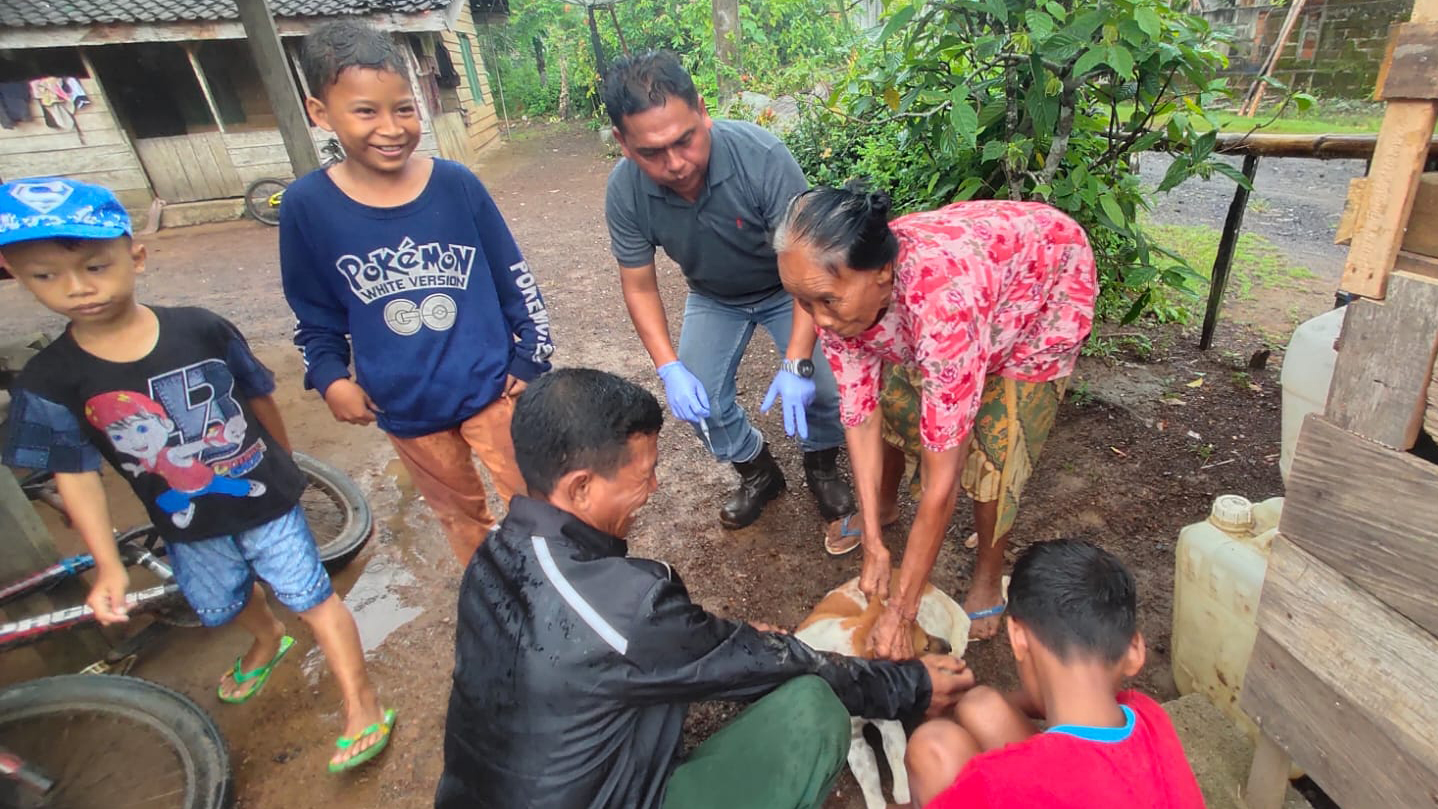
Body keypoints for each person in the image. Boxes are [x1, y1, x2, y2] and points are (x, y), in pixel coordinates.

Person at [434, 368, 977, 809]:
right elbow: (771, 664)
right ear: (579, 487)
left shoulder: (493, 556)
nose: (654, 486)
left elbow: (627, 650)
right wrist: (909, 684)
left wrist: (719, 643)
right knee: (813, 705)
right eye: (643, 474)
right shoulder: (627, 608)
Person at [0, 178, 394, 772]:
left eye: (94, 265)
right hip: (183, 521)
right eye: (46, 275)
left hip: (265, 500)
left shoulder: (199, 328)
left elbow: (260, 396)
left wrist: (287, 466)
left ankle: (361, 705)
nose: (77, 288)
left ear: (135, 254)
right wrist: (108, 565)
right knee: (221, 601)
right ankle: (266, 638)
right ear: (13, 273)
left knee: (314, 598)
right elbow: (75, 475)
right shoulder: (52, 379)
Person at [773, 182, 1097, 649]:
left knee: (996, 444)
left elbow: (941, 482)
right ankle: (882, 513)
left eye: (825, 301)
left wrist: (902, 613)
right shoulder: (842, 299)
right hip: (980, 262)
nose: (817, 320)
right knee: (900, 408)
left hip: (1043, 282)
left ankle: (988, 570)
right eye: (803, 302)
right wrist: (872, 545)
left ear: (882, 272)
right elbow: (861, 418)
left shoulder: (943, 308)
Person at [279, 21, 553, 566]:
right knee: (461, 517)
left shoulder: (456, 185)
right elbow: (314, 313)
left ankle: (562, 585)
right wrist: (331, 377)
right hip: (405, 406)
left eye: (404, 108)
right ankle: (499, 597)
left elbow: (515, 276)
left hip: (494, 388)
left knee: (538, 502)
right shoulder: (306, 206)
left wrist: (532, 353)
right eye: (366, 111)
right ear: (319, 112)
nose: (391, 127)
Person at [602, 50, 859, 549]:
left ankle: (822, 462)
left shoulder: (761, 156)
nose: (676, 164)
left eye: (685, 140)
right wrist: (668, 367)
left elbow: (811, 267)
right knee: (698, 401)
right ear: (623, 143)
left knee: (825, 386)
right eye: (653, 152)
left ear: (702, 111)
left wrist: (798, 362)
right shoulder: (625, 192)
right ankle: (758, 469)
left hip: (789, 290)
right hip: (714, 296)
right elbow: (639, 284)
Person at [904, 539, 1206, 808]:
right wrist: (967, 700)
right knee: (980, 703)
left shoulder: (995, 783)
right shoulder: (1150, 716)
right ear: (1135, 649)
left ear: (1018, 637)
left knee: (930, 747)